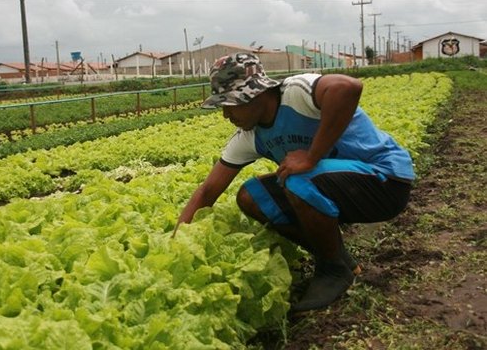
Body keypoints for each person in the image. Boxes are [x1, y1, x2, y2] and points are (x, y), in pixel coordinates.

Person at [173, 52, 414, 311]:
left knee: (297, 180)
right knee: (251, 196)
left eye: (230, 104)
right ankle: (339, 260)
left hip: (385, 180)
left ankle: (332, 271)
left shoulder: (297, 93)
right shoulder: (249, 136)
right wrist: (176, 243)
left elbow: (348, 87)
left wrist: (312, 156)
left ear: (254, 94)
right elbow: (208, 191)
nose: (226, 115)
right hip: (339, 189)